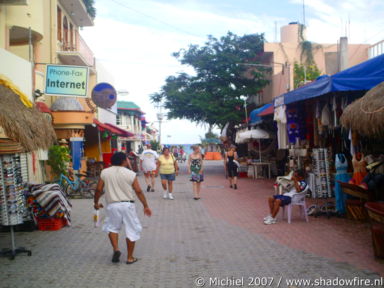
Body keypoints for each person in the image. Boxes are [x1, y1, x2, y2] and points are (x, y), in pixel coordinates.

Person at [94, 152, 152, 264]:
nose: (128, 161)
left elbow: (98, 190)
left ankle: (116, 249)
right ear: (124, 161)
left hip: (112, 205)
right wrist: (145, 206)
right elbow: (138, 191)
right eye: (127, 159)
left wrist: (96, 202)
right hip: (128, 205)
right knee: (132, 229)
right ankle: (130, 258)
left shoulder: (105, 172)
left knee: (112, 228)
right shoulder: (130, 174)